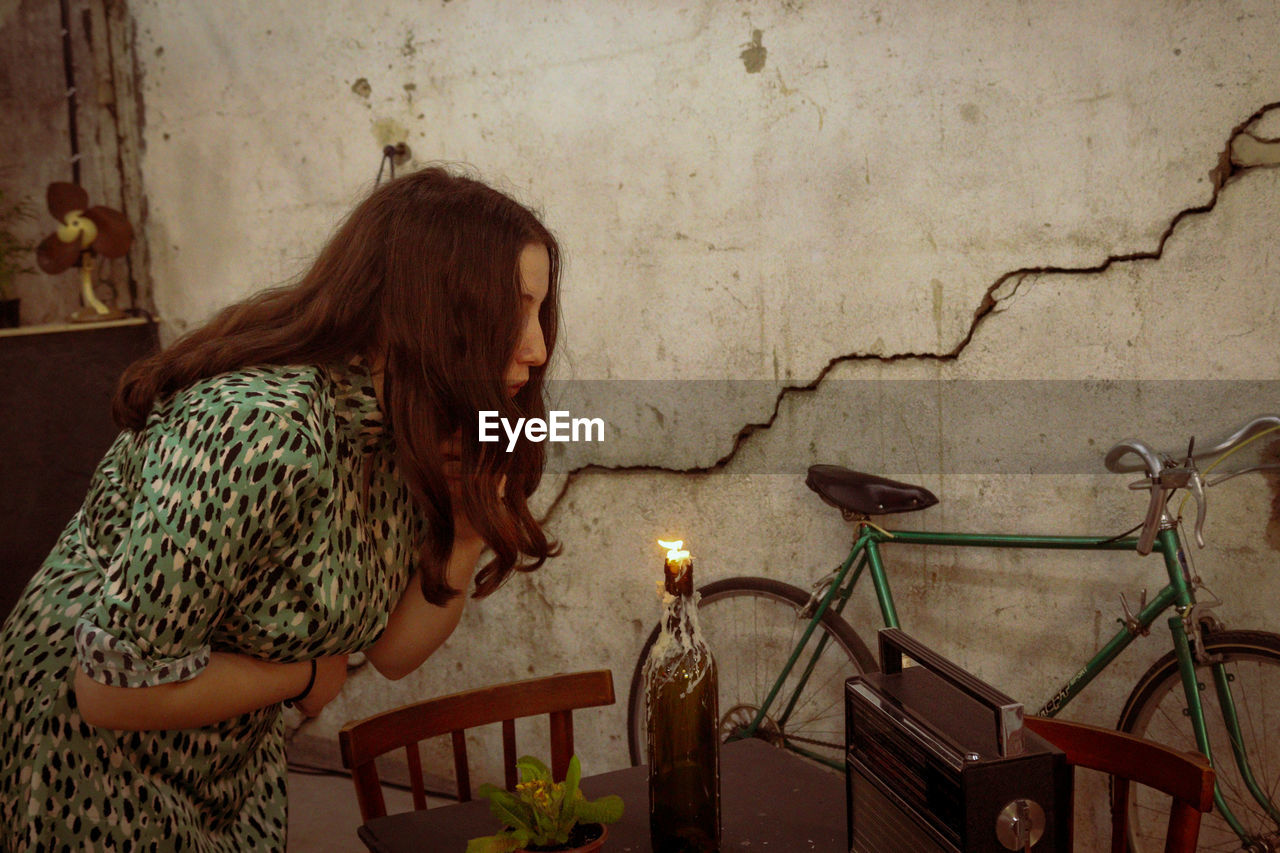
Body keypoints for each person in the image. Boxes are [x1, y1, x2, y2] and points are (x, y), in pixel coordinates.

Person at [0, 165, 561, 851]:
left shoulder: (408, 423)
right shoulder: (263, 427)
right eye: (514, 307)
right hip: (88, 760)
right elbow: (109, 689)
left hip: (227, 756)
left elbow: (391, 652)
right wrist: (302, 675)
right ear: (431, 303)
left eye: (540, 310)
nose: (536, 348)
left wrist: (468, 531)